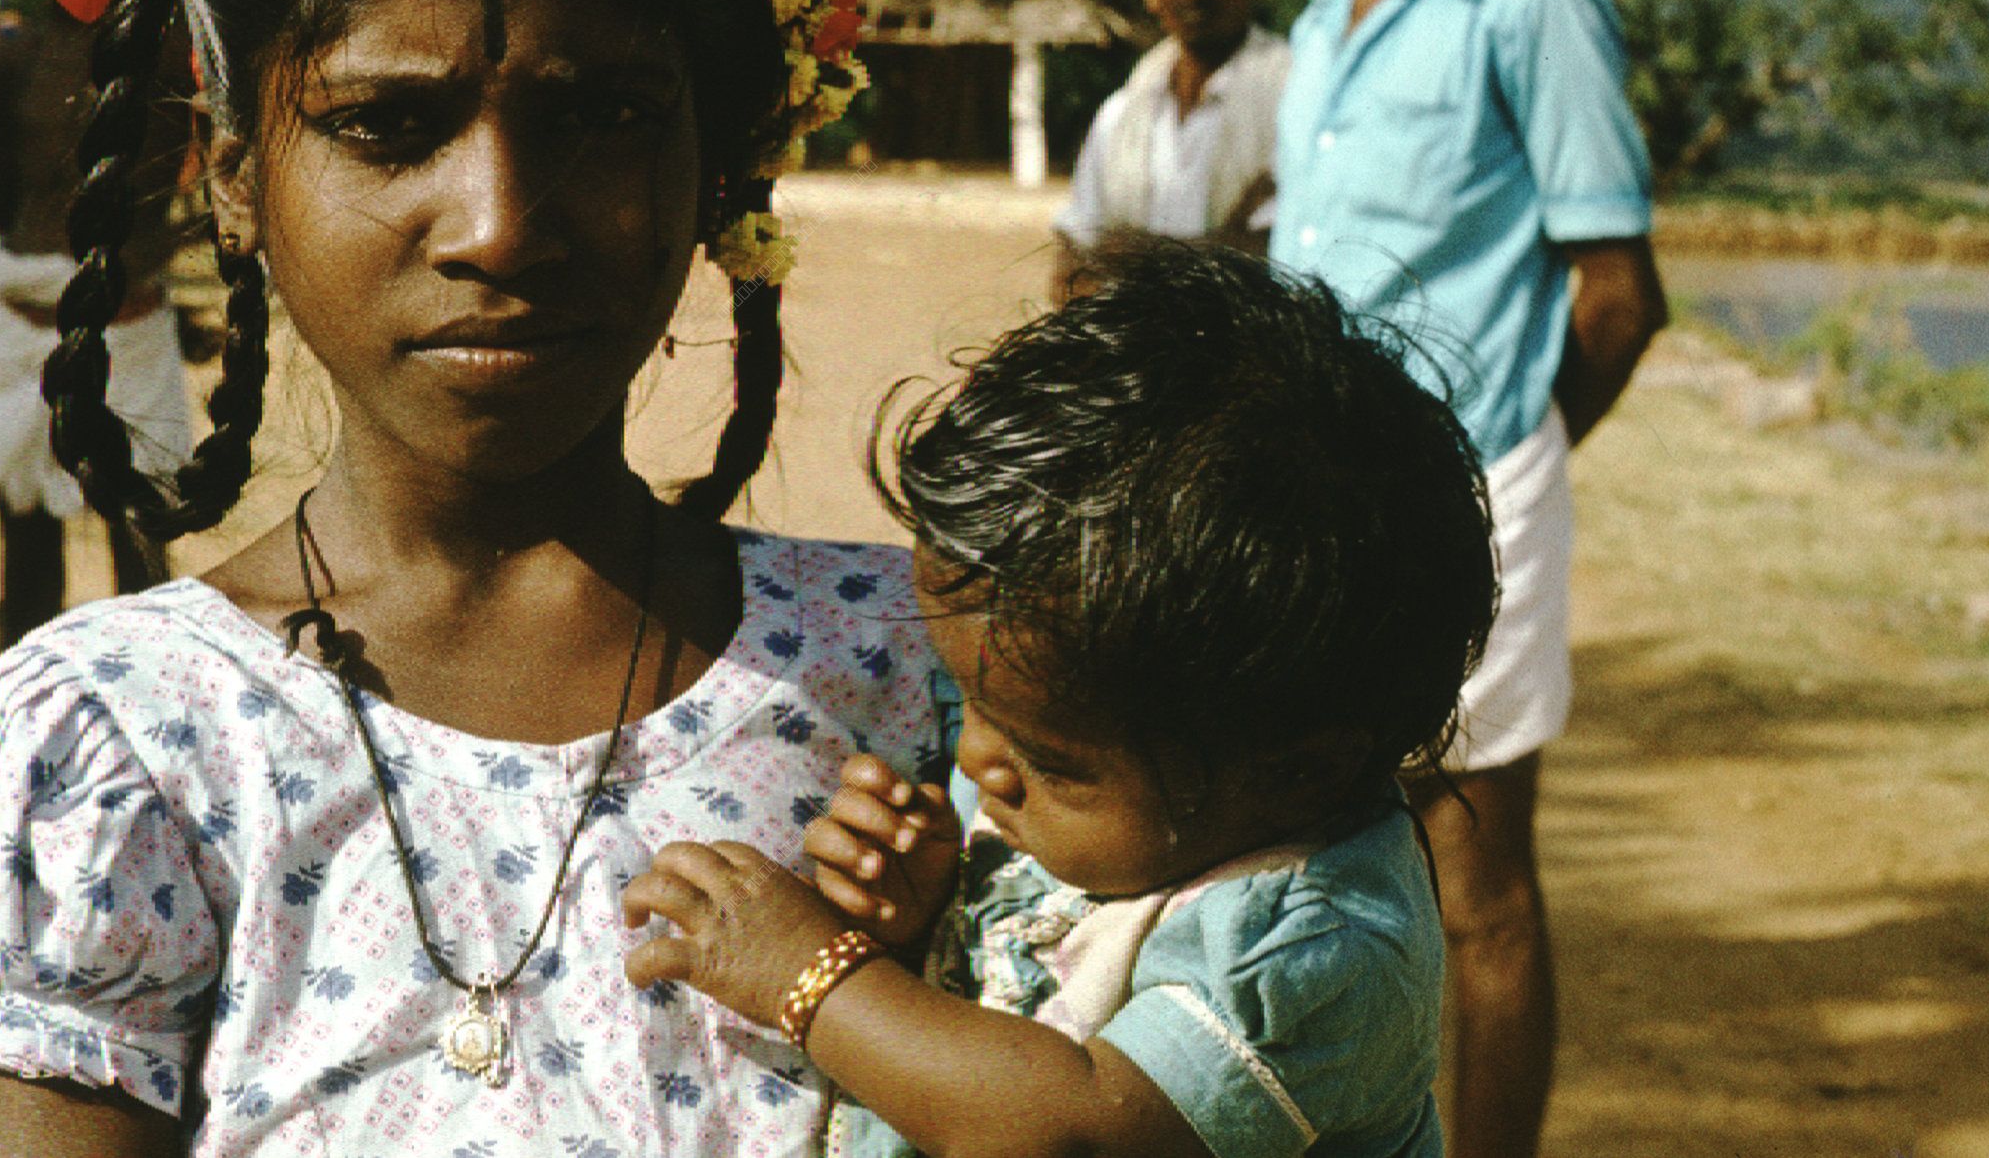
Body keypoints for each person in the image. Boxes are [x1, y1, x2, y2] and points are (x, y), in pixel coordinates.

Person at [0, 0, 934, 1158]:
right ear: (234, 171)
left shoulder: (931, 691)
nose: (500, 222)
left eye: (603, 115)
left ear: (716, 158)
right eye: (388, 123)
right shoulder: (130, 750)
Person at [623, 239, 1499, 1158]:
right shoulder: (1151, 811)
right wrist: (926, 922)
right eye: (970, 700)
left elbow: (1072, 1131)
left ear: (1301, 766)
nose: (974, 760)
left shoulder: (1318, 942)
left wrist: (811, 975)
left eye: (1050, 761)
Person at [1269, 0, 1668, 1158]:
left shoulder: (1534, 3)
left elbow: (1617, 297)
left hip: (1470, 488)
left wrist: (1500, 454)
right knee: (1318, 842)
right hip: (1312, 498)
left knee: (1477, 872)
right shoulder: (1325, 7)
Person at [0, 0, 192, 646]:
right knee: (25, 550)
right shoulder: (1, 68)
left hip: (130, 338)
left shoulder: (165, 47)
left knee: (141, 562)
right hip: (20, 337)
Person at [1054, 0, 1291, 295]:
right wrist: (1220, 250)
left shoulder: (1297, 98)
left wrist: (1125, 253)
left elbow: (1281, 259)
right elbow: (1071, 264)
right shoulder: (1121, 115)